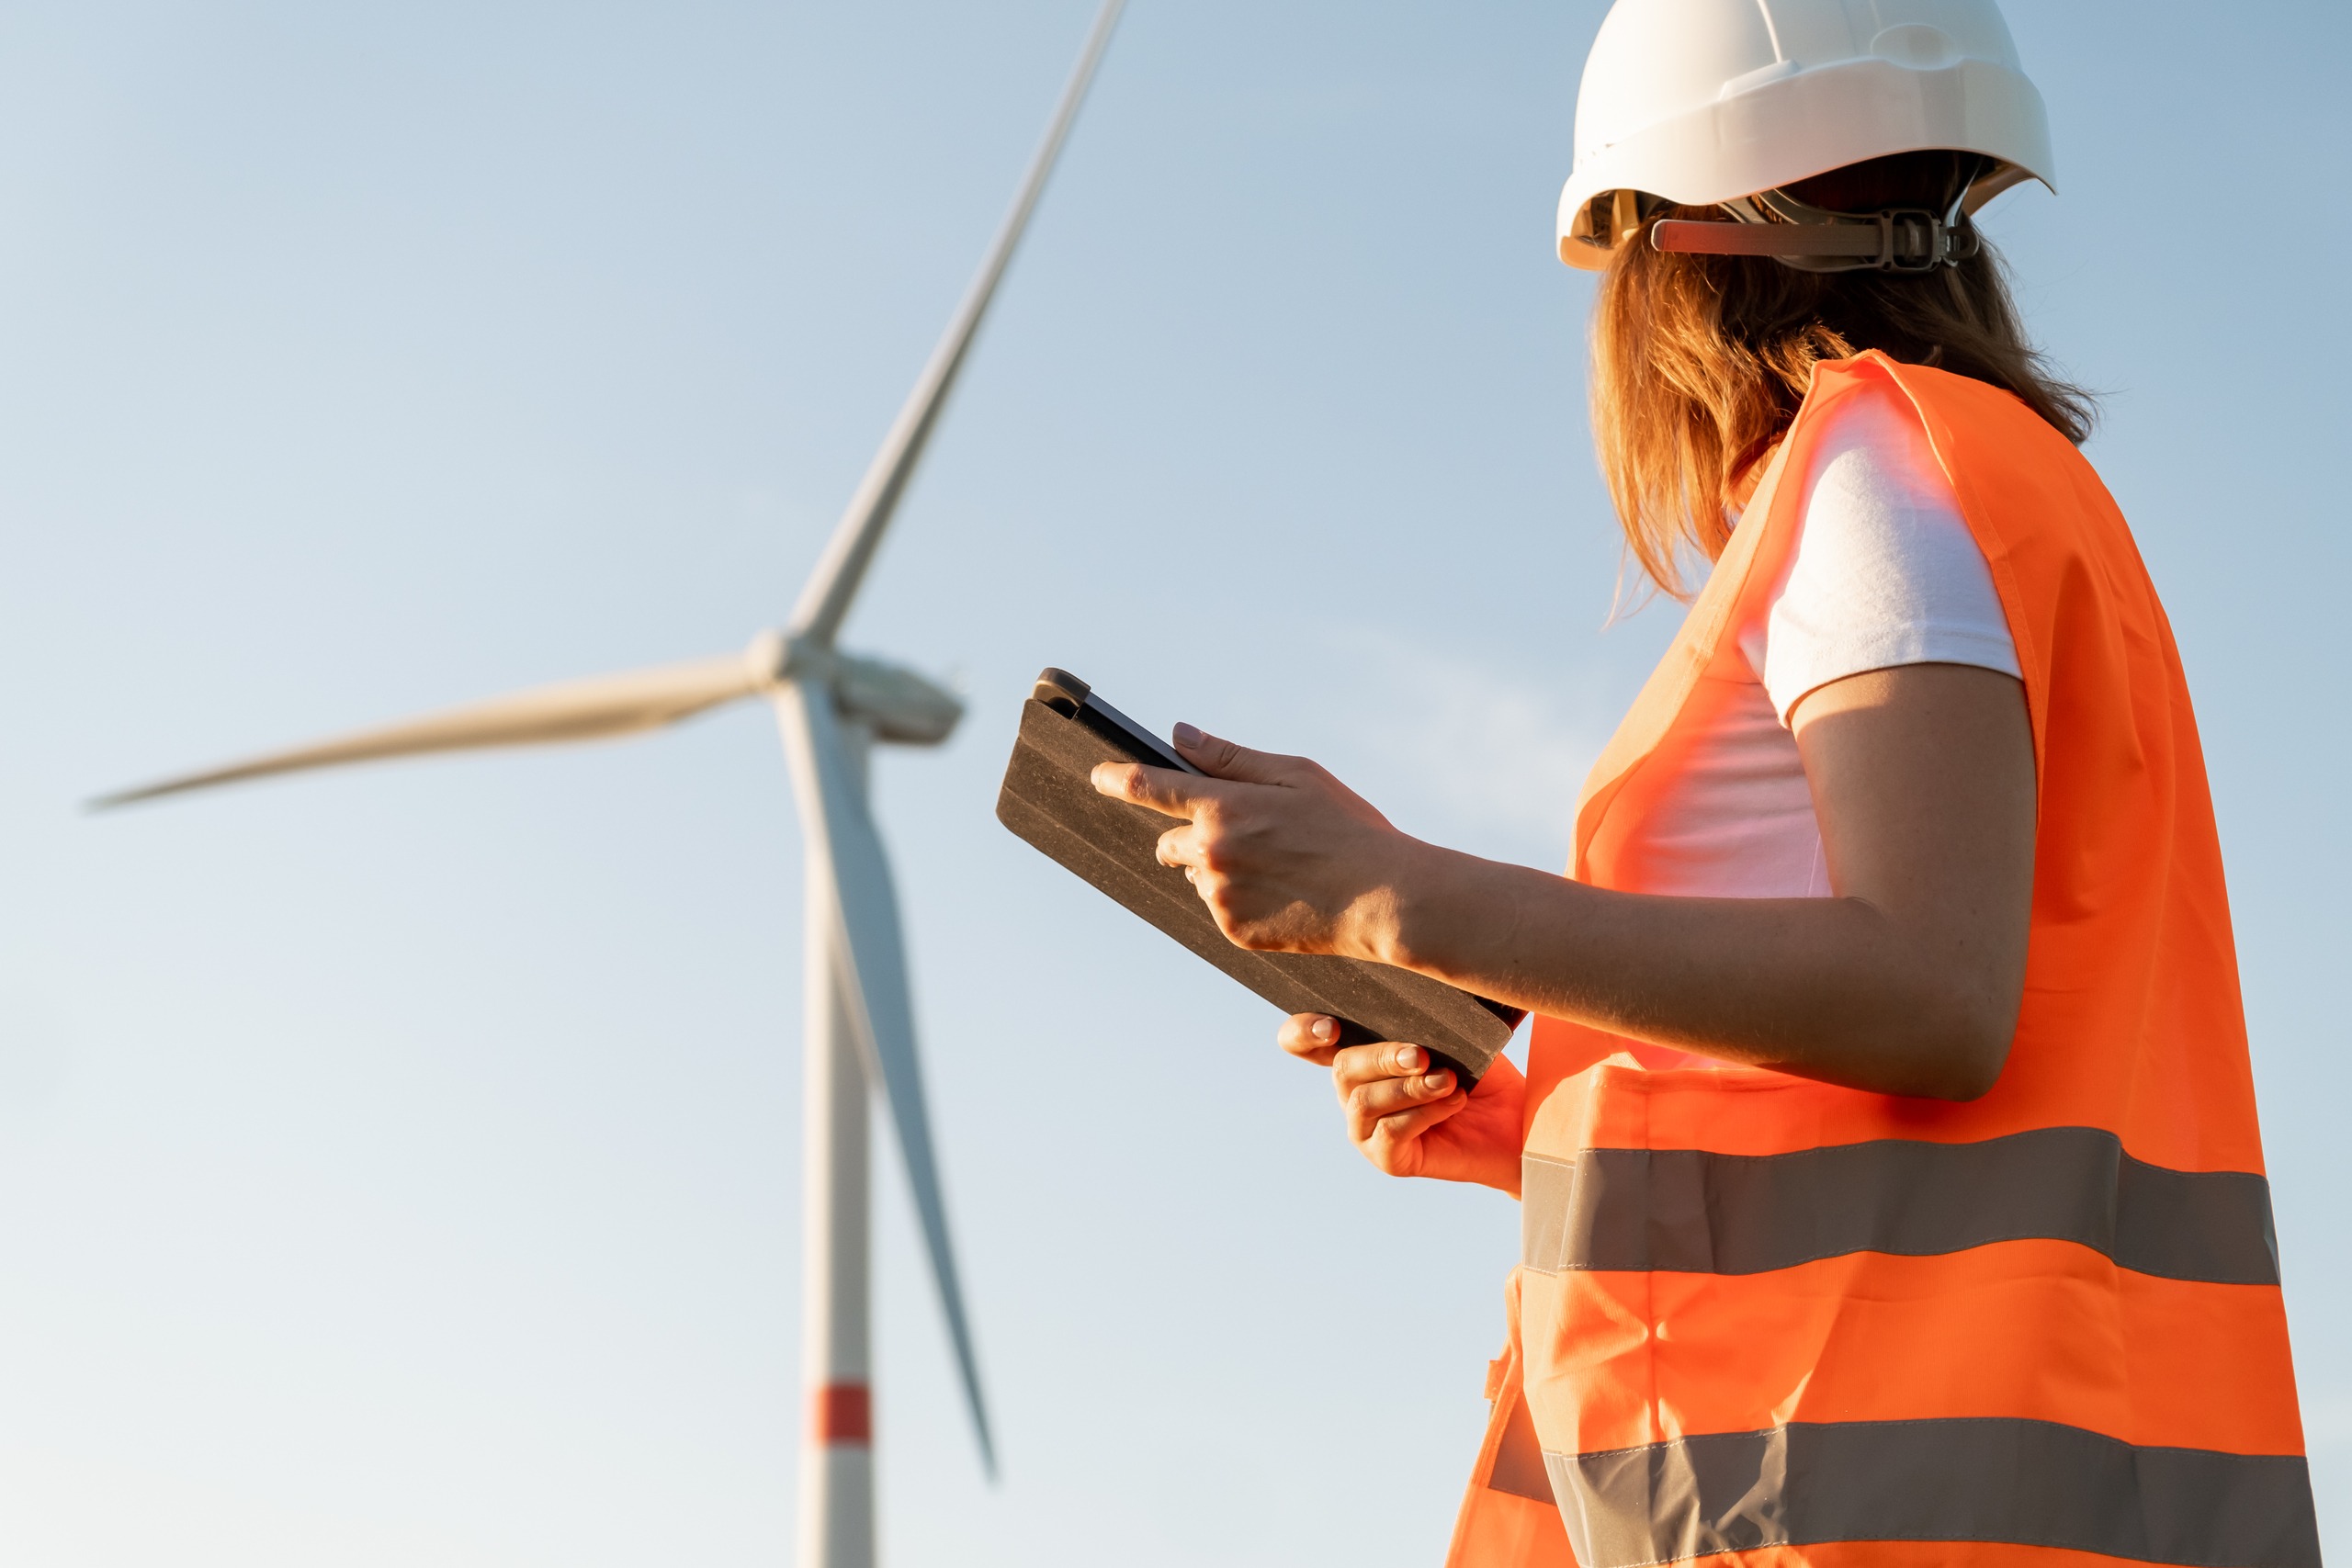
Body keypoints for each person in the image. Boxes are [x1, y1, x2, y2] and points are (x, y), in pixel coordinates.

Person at [1091, 1, 2320, 1563]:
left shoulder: (1877, 478)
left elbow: (1931, 990)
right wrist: (1535, 1101)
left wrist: (1397, 905)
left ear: (1675, 249)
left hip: (1856, 1498)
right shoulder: (1983, 487)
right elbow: (1906, 1055)